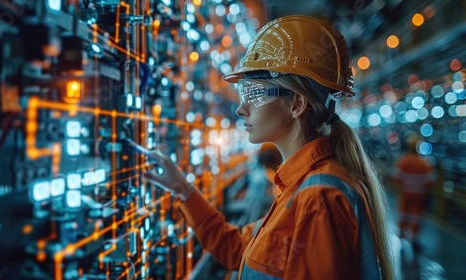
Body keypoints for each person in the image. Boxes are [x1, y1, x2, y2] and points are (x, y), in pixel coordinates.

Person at [143, 15, 394, 279]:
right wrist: (182, 189)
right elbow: (237, 249)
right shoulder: (300, 187)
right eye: (243, 94)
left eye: (254, 93)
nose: (241, 108)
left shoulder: (317, 197)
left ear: (296, 104)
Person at [391, 137, 434, 253]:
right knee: (415, 218)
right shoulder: (424, 163)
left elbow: (395, 179)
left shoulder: (403, 161)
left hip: (405, 195)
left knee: (403, 215)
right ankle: (413, 240)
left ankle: (401, 239)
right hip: (419, 197)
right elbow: (429, 182)